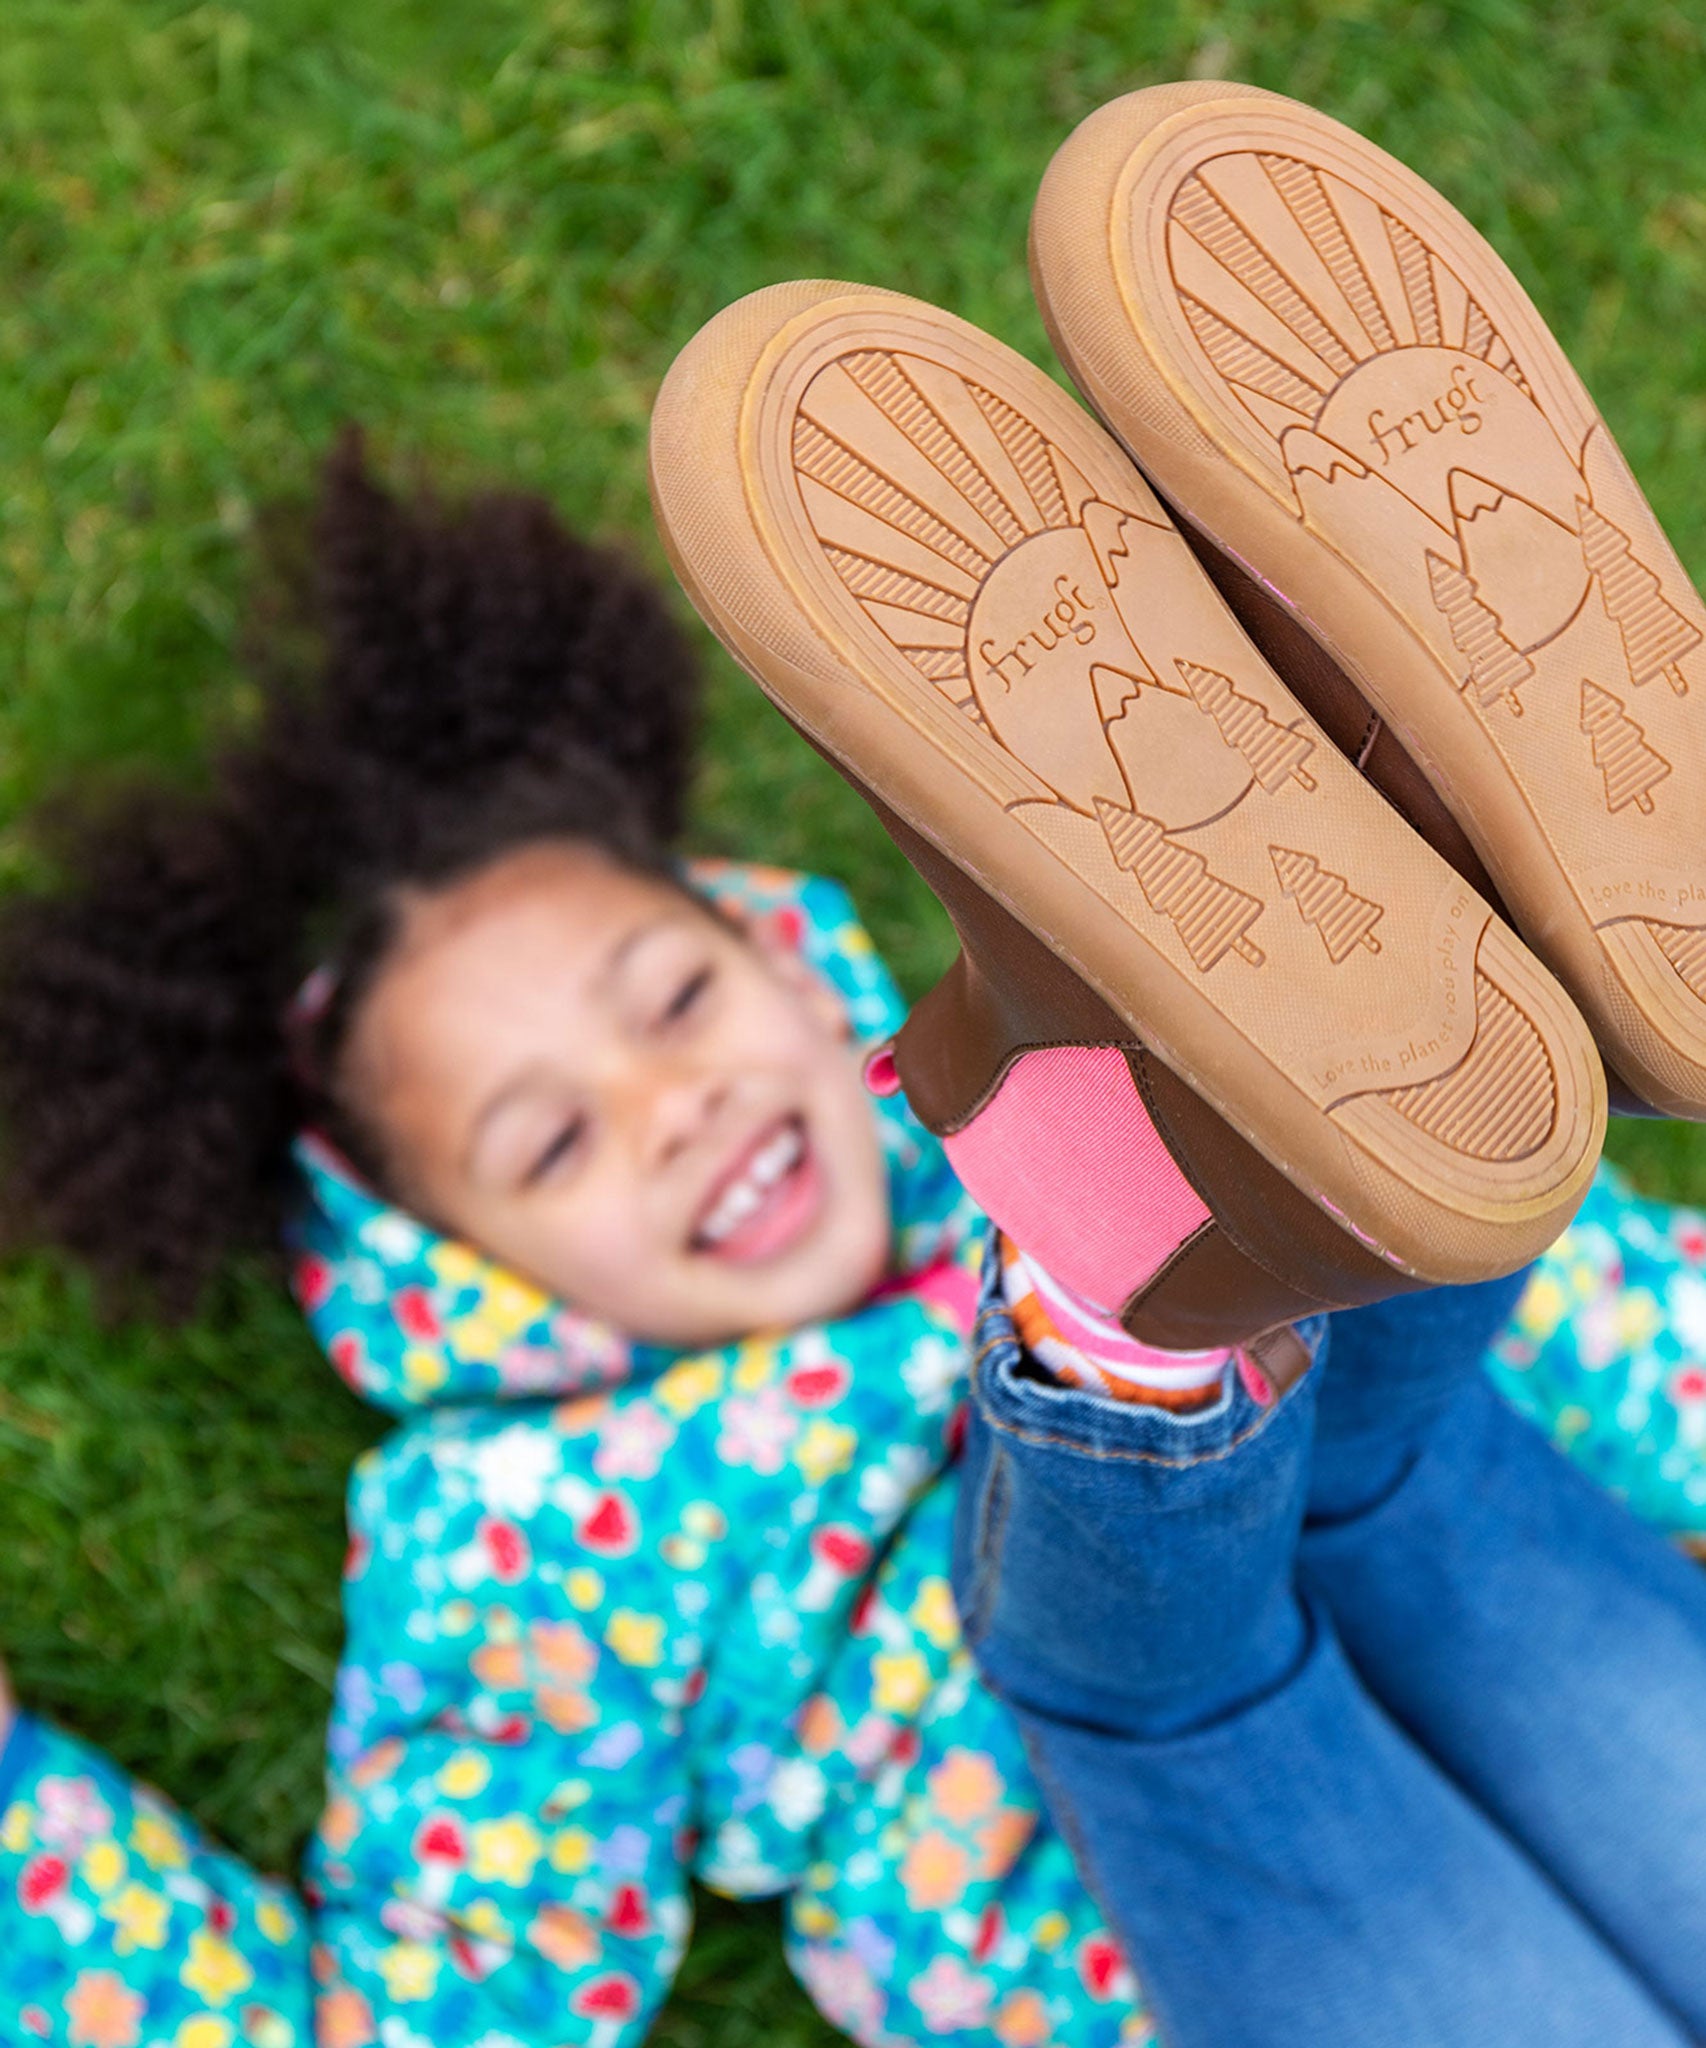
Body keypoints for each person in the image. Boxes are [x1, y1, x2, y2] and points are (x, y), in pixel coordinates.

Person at [0, 93, 1703, 2048]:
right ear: (464, 1278)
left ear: (799, 976)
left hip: (1360, 1626)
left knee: (1410, 1420)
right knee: (1253, 1591)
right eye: (552, 1140)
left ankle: (1309, 1087)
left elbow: (1613, 1319)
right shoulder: (526, 1526)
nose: (674, 1105)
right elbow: (442, 2013)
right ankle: (1297, 1075)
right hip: (1152, 1901)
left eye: (668, 999)